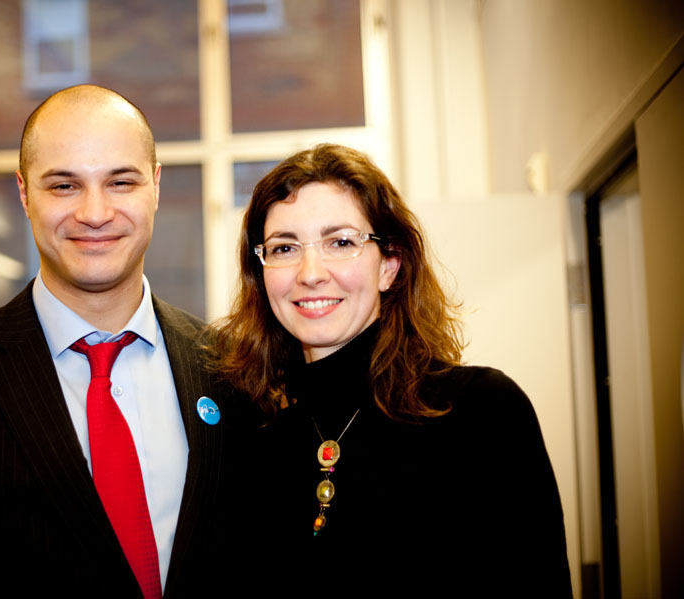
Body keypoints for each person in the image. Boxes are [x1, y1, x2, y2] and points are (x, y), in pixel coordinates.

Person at [0, 85, 228, 596]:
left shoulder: (234, 368)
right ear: (23, 192)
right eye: (64, 186)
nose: (95, 212)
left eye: (121, 182)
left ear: (156, 186)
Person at [212, 144, 572, 596]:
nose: (310, 272)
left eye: (340, 242)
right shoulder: (252, 435)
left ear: (389, 266)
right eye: (285, 247)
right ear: (261, 275)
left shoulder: (481, 410)